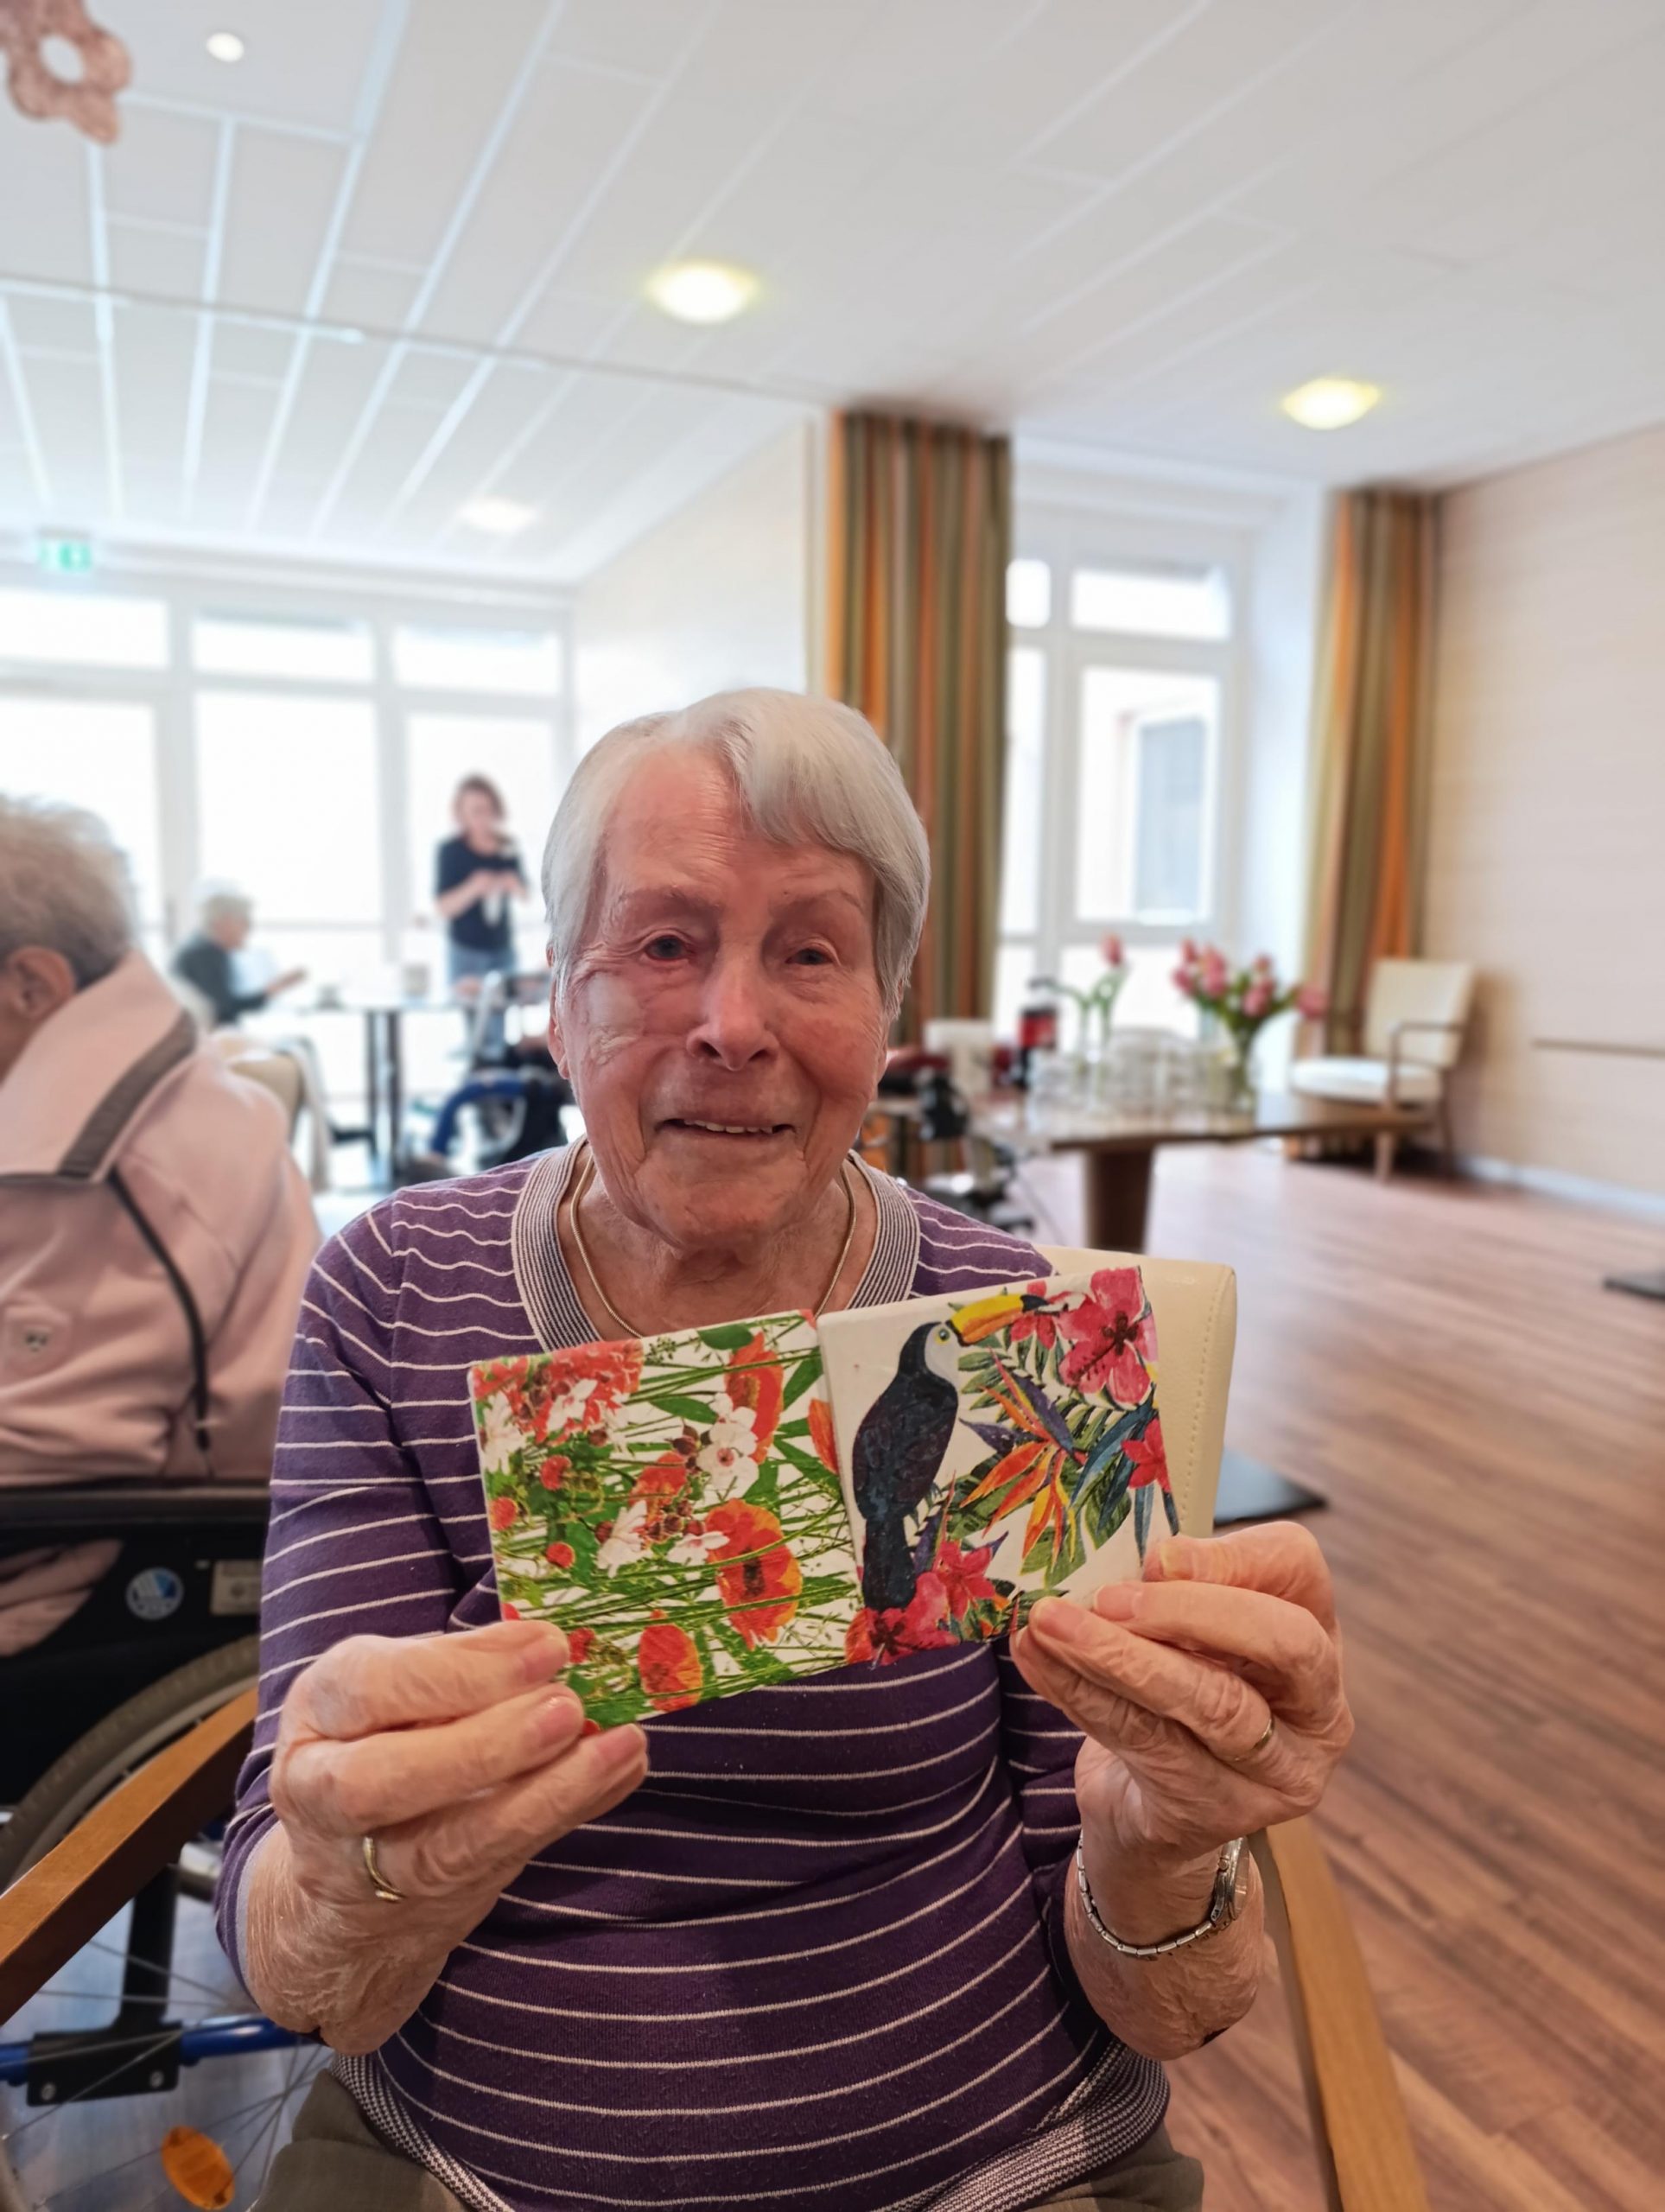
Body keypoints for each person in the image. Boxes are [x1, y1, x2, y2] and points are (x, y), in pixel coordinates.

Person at [218, 692, 1352, 2212]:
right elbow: (306, 1973)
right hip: (472, 2166)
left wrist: (1163, 1841)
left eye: (811, 952)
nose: (734, 1024)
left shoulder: (1007, 1332)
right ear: (555, 997)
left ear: (885, 1013)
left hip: (992, 2164)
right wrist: (354, 1879)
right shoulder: (398, 1288)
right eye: (661, 943)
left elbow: (1160, 2002)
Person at [0, 799, 318, 1654]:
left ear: (32, 985)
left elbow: (43, 1454)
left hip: (90, 1580)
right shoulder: (141, 1093)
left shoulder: (101, 1169)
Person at [434, 774, 529, 1053]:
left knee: (499, 1034)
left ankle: (498, 1074)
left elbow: (525, 894)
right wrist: (474, 887)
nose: (482, 817)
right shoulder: (451, 852)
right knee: (476, 1035)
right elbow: (443, 908)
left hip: (502, 951)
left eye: (487, 809)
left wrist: (512, 884)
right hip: (466, 953)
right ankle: (481, 1075)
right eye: (474, 810)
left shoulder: (507, 847)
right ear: (461, 813)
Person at [172, 886, 308, 1029]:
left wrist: (273, 989)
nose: (249, 929)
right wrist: (273, 989)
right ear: (224, 922)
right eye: (244, 921)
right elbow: (225, 1011)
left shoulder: (207, 949)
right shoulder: (202, 954)